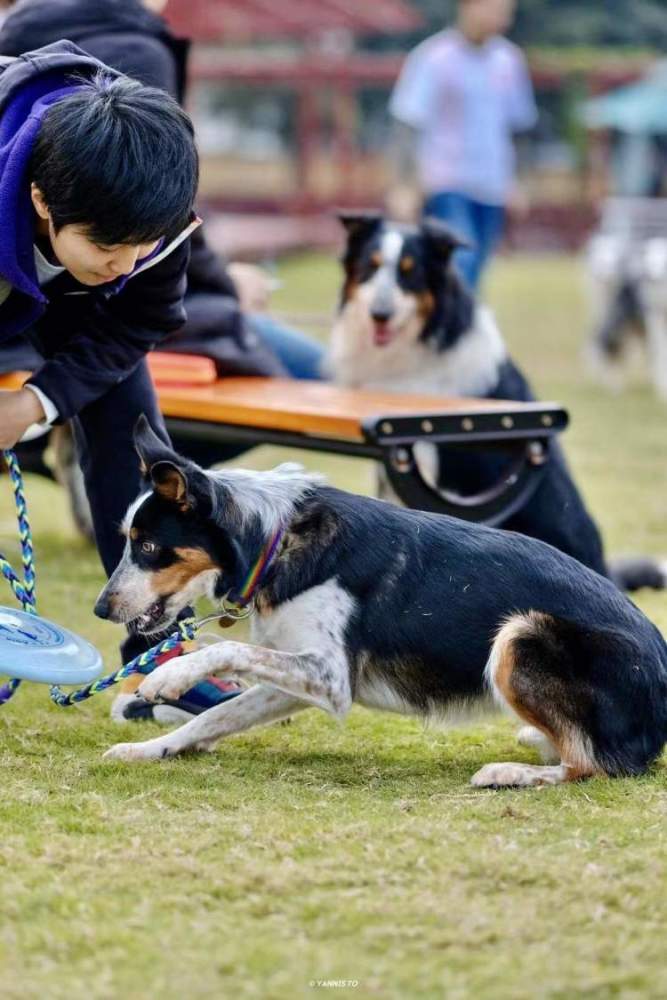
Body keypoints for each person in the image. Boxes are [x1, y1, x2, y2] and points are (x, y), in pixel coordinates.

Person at [0, 40, 238, 720]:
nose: (127, 263)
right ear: (41, 199)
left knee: (133, 440)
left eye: (143, 246)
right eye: (108, 247)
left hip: (68, 300)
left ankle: (160, 660)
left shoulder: (147, 200)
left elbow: (141, 319)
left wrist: (37, 401)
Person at [0, 0, 324, 382]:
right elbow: (143, 202)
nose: (124, 265)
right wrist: (226, 285)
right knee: (316, 370)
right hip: (134, 311)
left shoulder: (22, 35)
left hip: (94, 296)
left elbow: (157, 209)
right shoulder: (135, 52)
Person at [388, 0, 538, 291]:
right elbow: (408, 124)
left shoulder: (509, 60)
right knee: (460, 260)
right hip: (447, 182)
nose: (502, 18)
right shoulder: (434, 57)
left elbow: (519, 128)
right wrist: (404, 185)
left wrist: (518, 182)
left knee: (476, 266)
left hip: (492, 184)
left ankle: (452, 317)